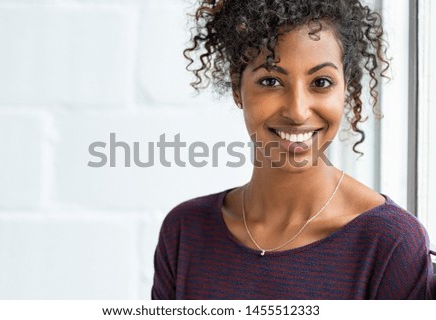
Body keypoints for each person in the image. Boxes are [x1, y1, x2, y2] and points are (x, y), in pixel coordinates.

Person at [151, 0, 435, 299]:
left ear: (346, 89)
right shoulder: (186, 231)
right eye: (271, 81)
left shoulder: (389, 243)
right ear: (238, 87)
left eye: (321, 82)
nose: (298, 112)